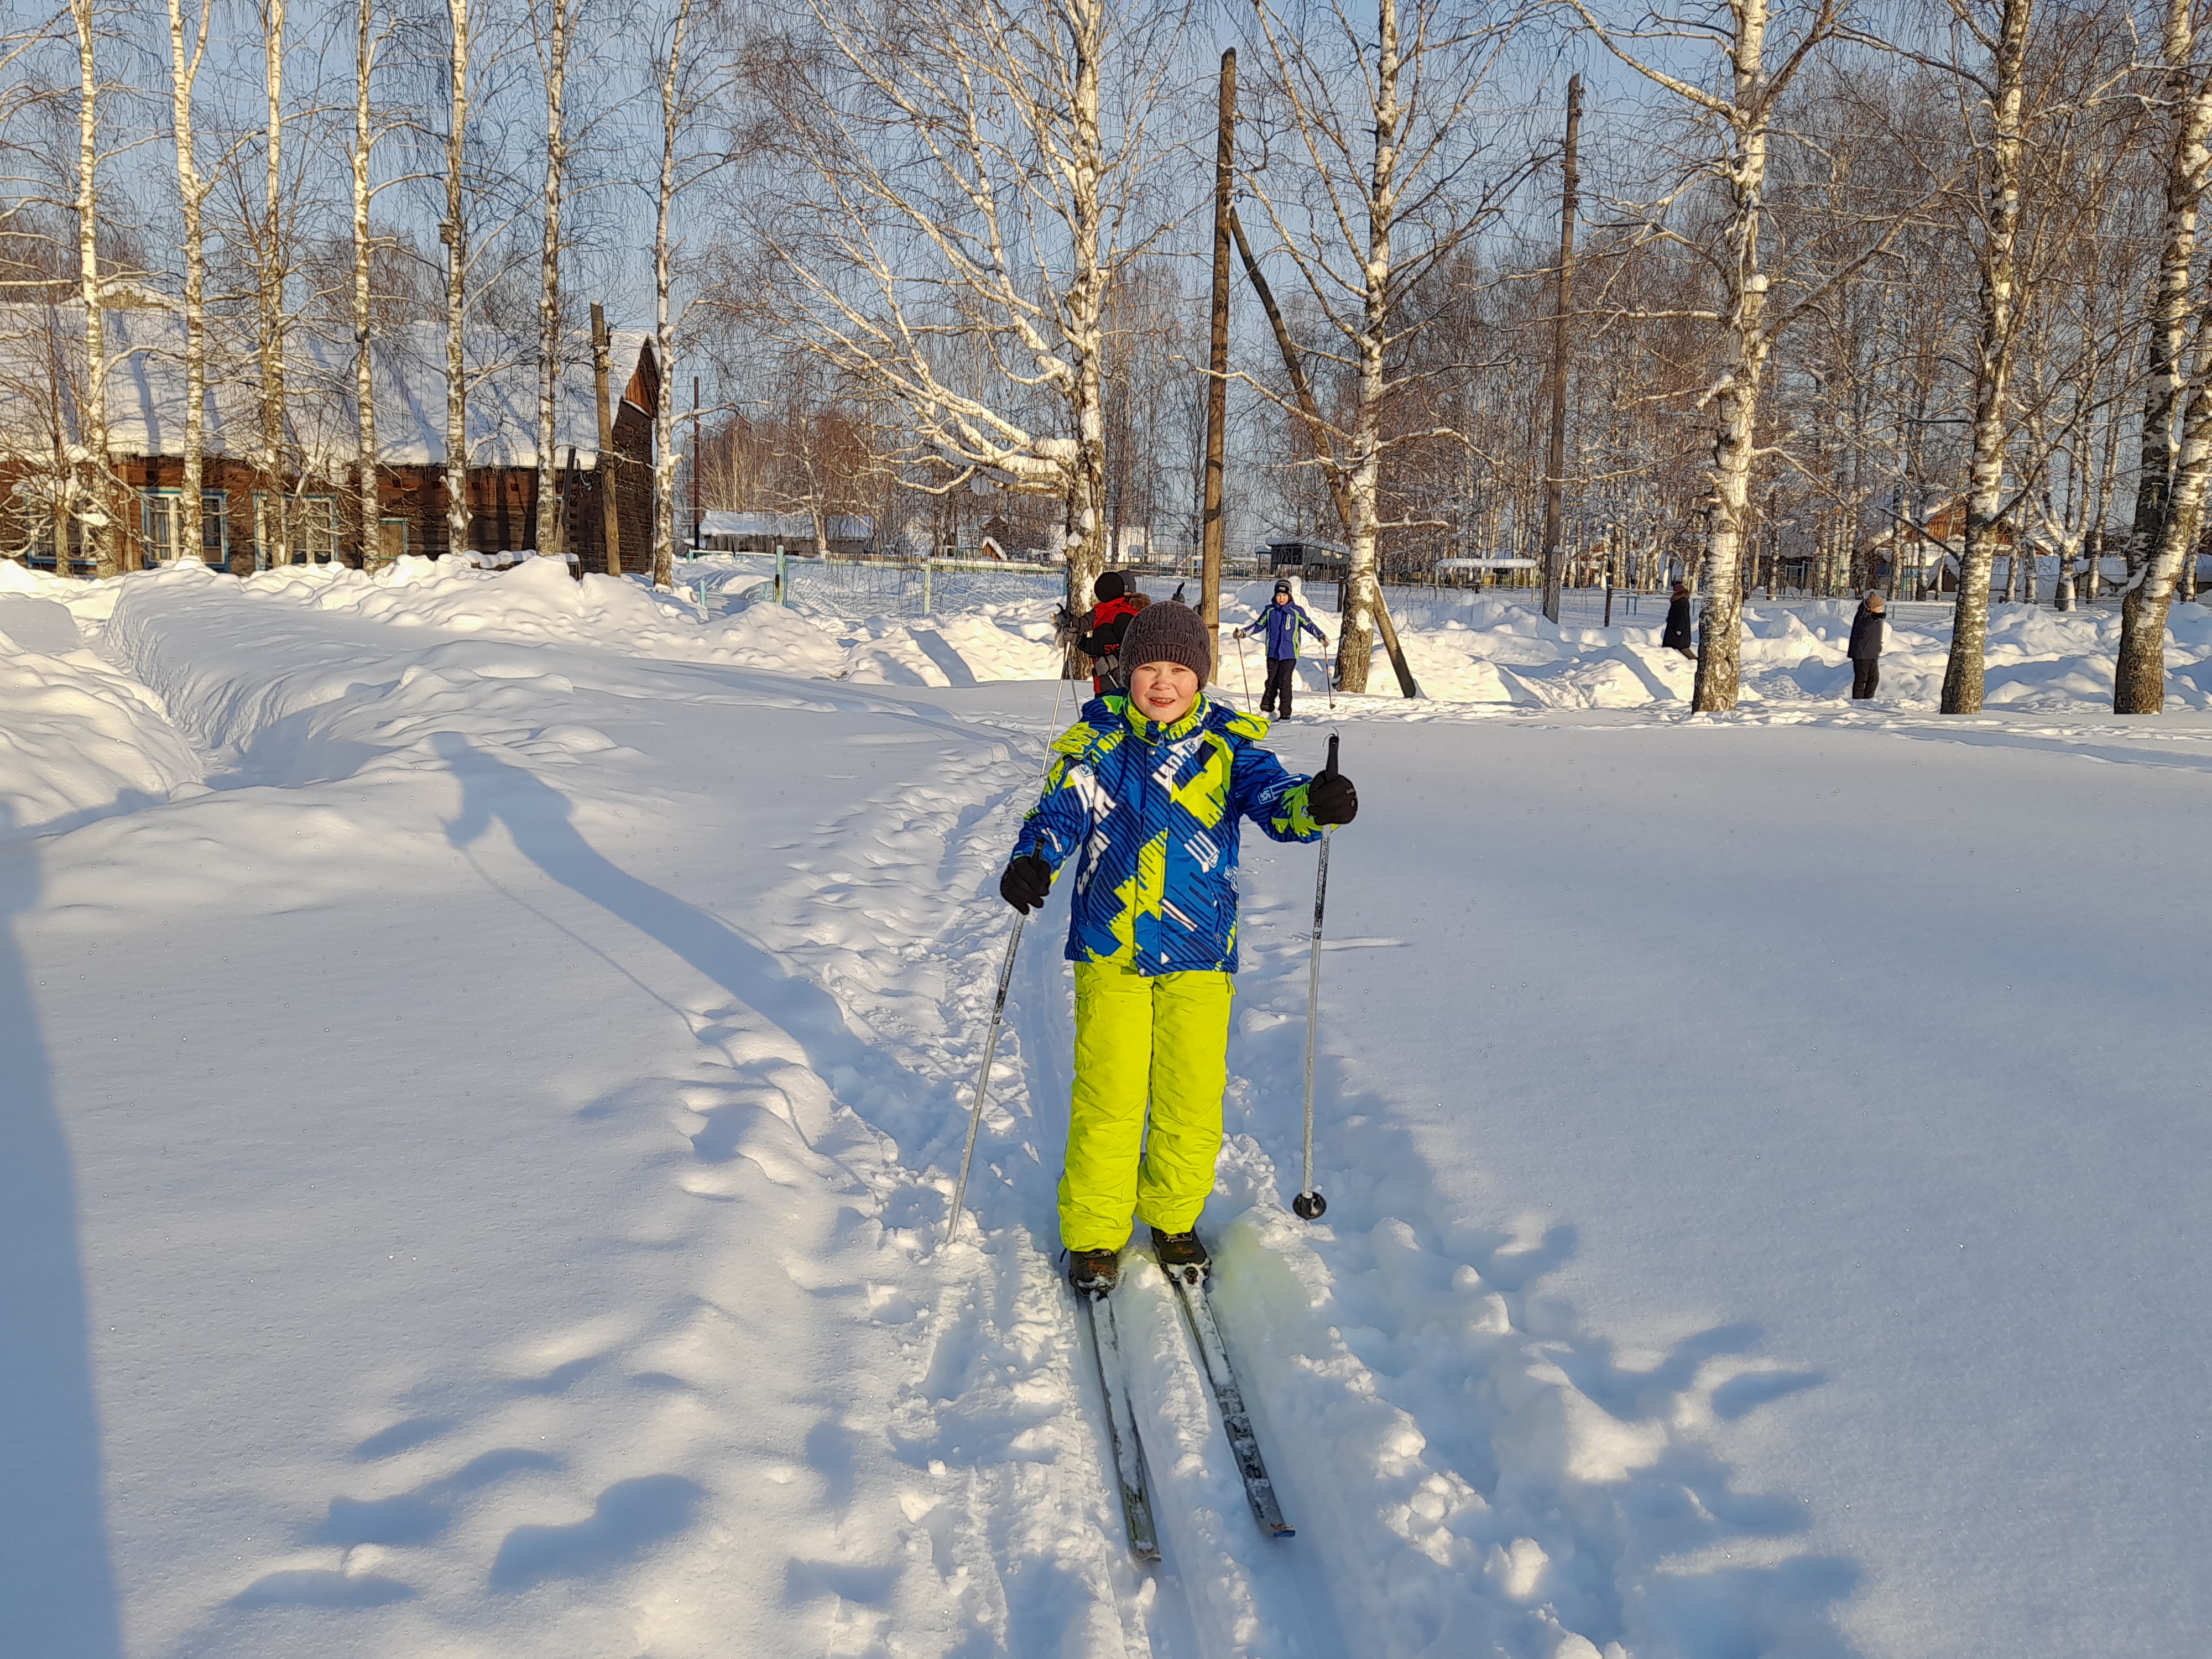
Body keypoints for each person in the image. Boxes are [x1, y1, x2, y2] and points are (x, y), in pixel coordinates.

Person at [997, 601, 1359, 1294]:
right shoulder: (1097, 744)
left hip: (1200, 952)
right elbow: (1057, 814)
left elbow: (1276, 801)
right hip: (1110, 950)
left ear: (1201, 677)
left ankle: (1172, 1216)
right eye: (1149, 669)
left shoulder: (1227, 746)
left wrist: (1315, 803)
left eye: (1179, 671)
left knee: (1189, 1097)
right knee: (1109, 1096)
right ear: (1127, 672)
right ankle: (1096, 1232)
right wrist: (1033, 859)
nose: (1162, 683)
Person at [1234, 578, 1329, 718]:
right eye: (1279, 595)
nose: (1281, 598)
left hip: (1289, 654)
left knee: (1285, 682)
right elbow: (1258, 626)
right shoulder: (1270, 611)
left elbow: (1309, 625)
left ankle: (1285, 713)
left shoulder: (1296, 612)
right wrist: (1243, 633)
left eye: (1284, 595)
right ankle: (1266, 709)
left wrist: (1321, 636)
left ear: (1289, 596)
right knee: (1271, 682)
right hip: (1273, 653)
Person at [1073, 571, 1146, 694]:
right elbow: (1099, 647)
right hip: (1104, 681)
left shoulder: (1125, 615)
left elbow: (1134, 647)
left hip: (1120, 684)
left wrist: (1112, 661)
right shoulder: (1105, 612)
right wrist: (1078, 640)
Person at [1848, 590, 1886, 700]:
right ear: (1872, 607)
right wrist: (1874, 617)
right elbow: (1864, 625)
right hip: (1862, 654)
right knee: (1862, 679)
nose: (1881, 609)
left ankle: (1868, 700)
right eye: (1879, 607)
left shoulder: (1876, 617)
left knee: (1874, 679)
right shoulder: (1862, 616)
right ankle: (1858, 700)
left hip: (1872, 653)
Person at [1661, 582, 1697, 660]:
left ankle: (1694, 661)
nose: (1674, 592)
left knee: (1679, 647)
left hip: (1679, 631)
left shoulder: (1682, 600)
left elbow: (1682, 616)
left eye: (1676, 590)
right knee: (1675, 647)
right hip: (1675, 629)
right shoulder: (1678, 599)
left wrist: (1679, 629)